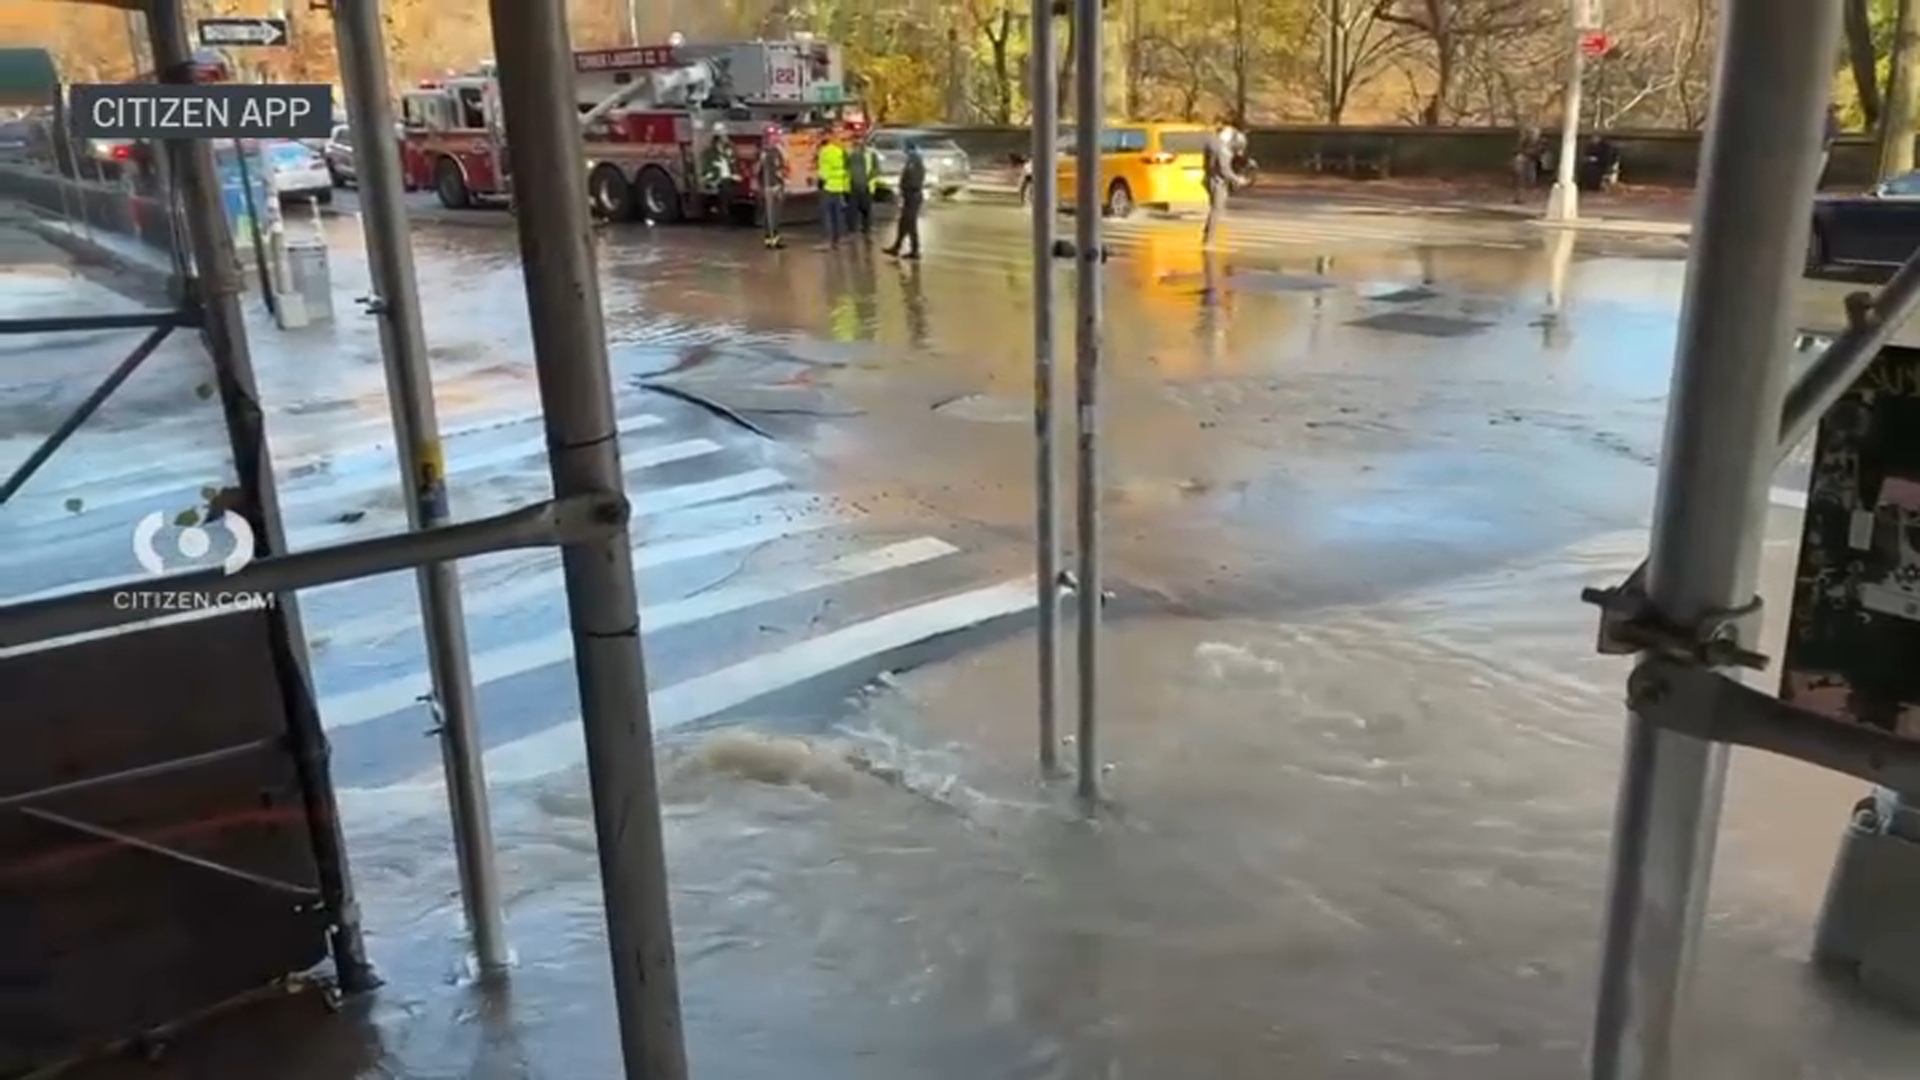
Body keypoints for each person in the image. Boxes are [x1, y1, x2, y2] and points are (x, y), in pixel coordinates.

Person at [1201, 118, 1249, 247]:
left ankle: (1207, 235)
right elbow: (1225, 170)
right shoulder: (1223, 149)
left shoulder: (1211, 141)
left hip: (1208, 178)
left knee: (1214, 209)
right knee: (1217, 210)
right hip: (1218, 182)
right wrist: (1238, 179)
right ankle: (1209, 240)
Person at [884, 139, 926, 260]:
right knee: (903, 223)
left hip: (912, 195)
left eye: (905, 148)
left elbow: (914, 180)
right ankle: (896, 247)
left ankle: (915, 250)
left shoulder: (915, 161)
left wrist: (905, 188)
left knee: (910, 224)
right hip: (909, 195)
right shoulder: (913, 160)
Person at [816, 131, 851, 249]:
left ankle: (827, 241)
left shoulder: (824, 151)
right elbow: (845, 168)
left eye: (822, 135)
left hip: (828, 186)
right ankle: (838, 240)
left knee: (827, 215)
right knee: (838, 215)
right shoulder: (840, 150)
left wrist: (821, 180)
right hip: (839, 186)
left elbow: (824, 170)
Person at [698, 134, 741, 221]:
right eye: (721, 144)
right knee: (726, 189)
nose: (723, 146)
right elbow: (707, 170)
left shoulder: (727, 154)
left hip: (727, 178)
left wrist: (734, 174)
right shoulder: (709, 154)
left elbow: (733, 168)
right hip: (716, 180)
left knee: (732, 187)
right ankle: (725, 213)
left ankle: (728, 211)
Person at [758, 131, 788, 249]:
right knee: (769, 214)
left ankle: (776, 238)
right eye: (773, 137)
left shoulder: (777, 152)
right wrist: (761, 160)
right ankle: (769, 239)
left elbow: (781, 168)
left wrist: (782, 183)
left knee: (776, 214)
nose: (775, 139)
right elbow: (755, 171)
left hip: (777, 186)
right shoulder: (762, 153)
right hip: (767, 186)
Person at [847, 135, 881, 239]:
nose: (857, 144)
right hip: (853, 185)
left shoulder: (870, 154)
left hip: (866, 185)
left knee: (866, 209)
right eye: (856, 142)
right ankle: (853, 229)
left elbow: (877, 169)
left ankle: (867, 228)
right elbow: (845, 167)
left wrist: (869, 178)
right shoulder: (849, 154)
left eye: (860, 142)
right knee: (853, 209)